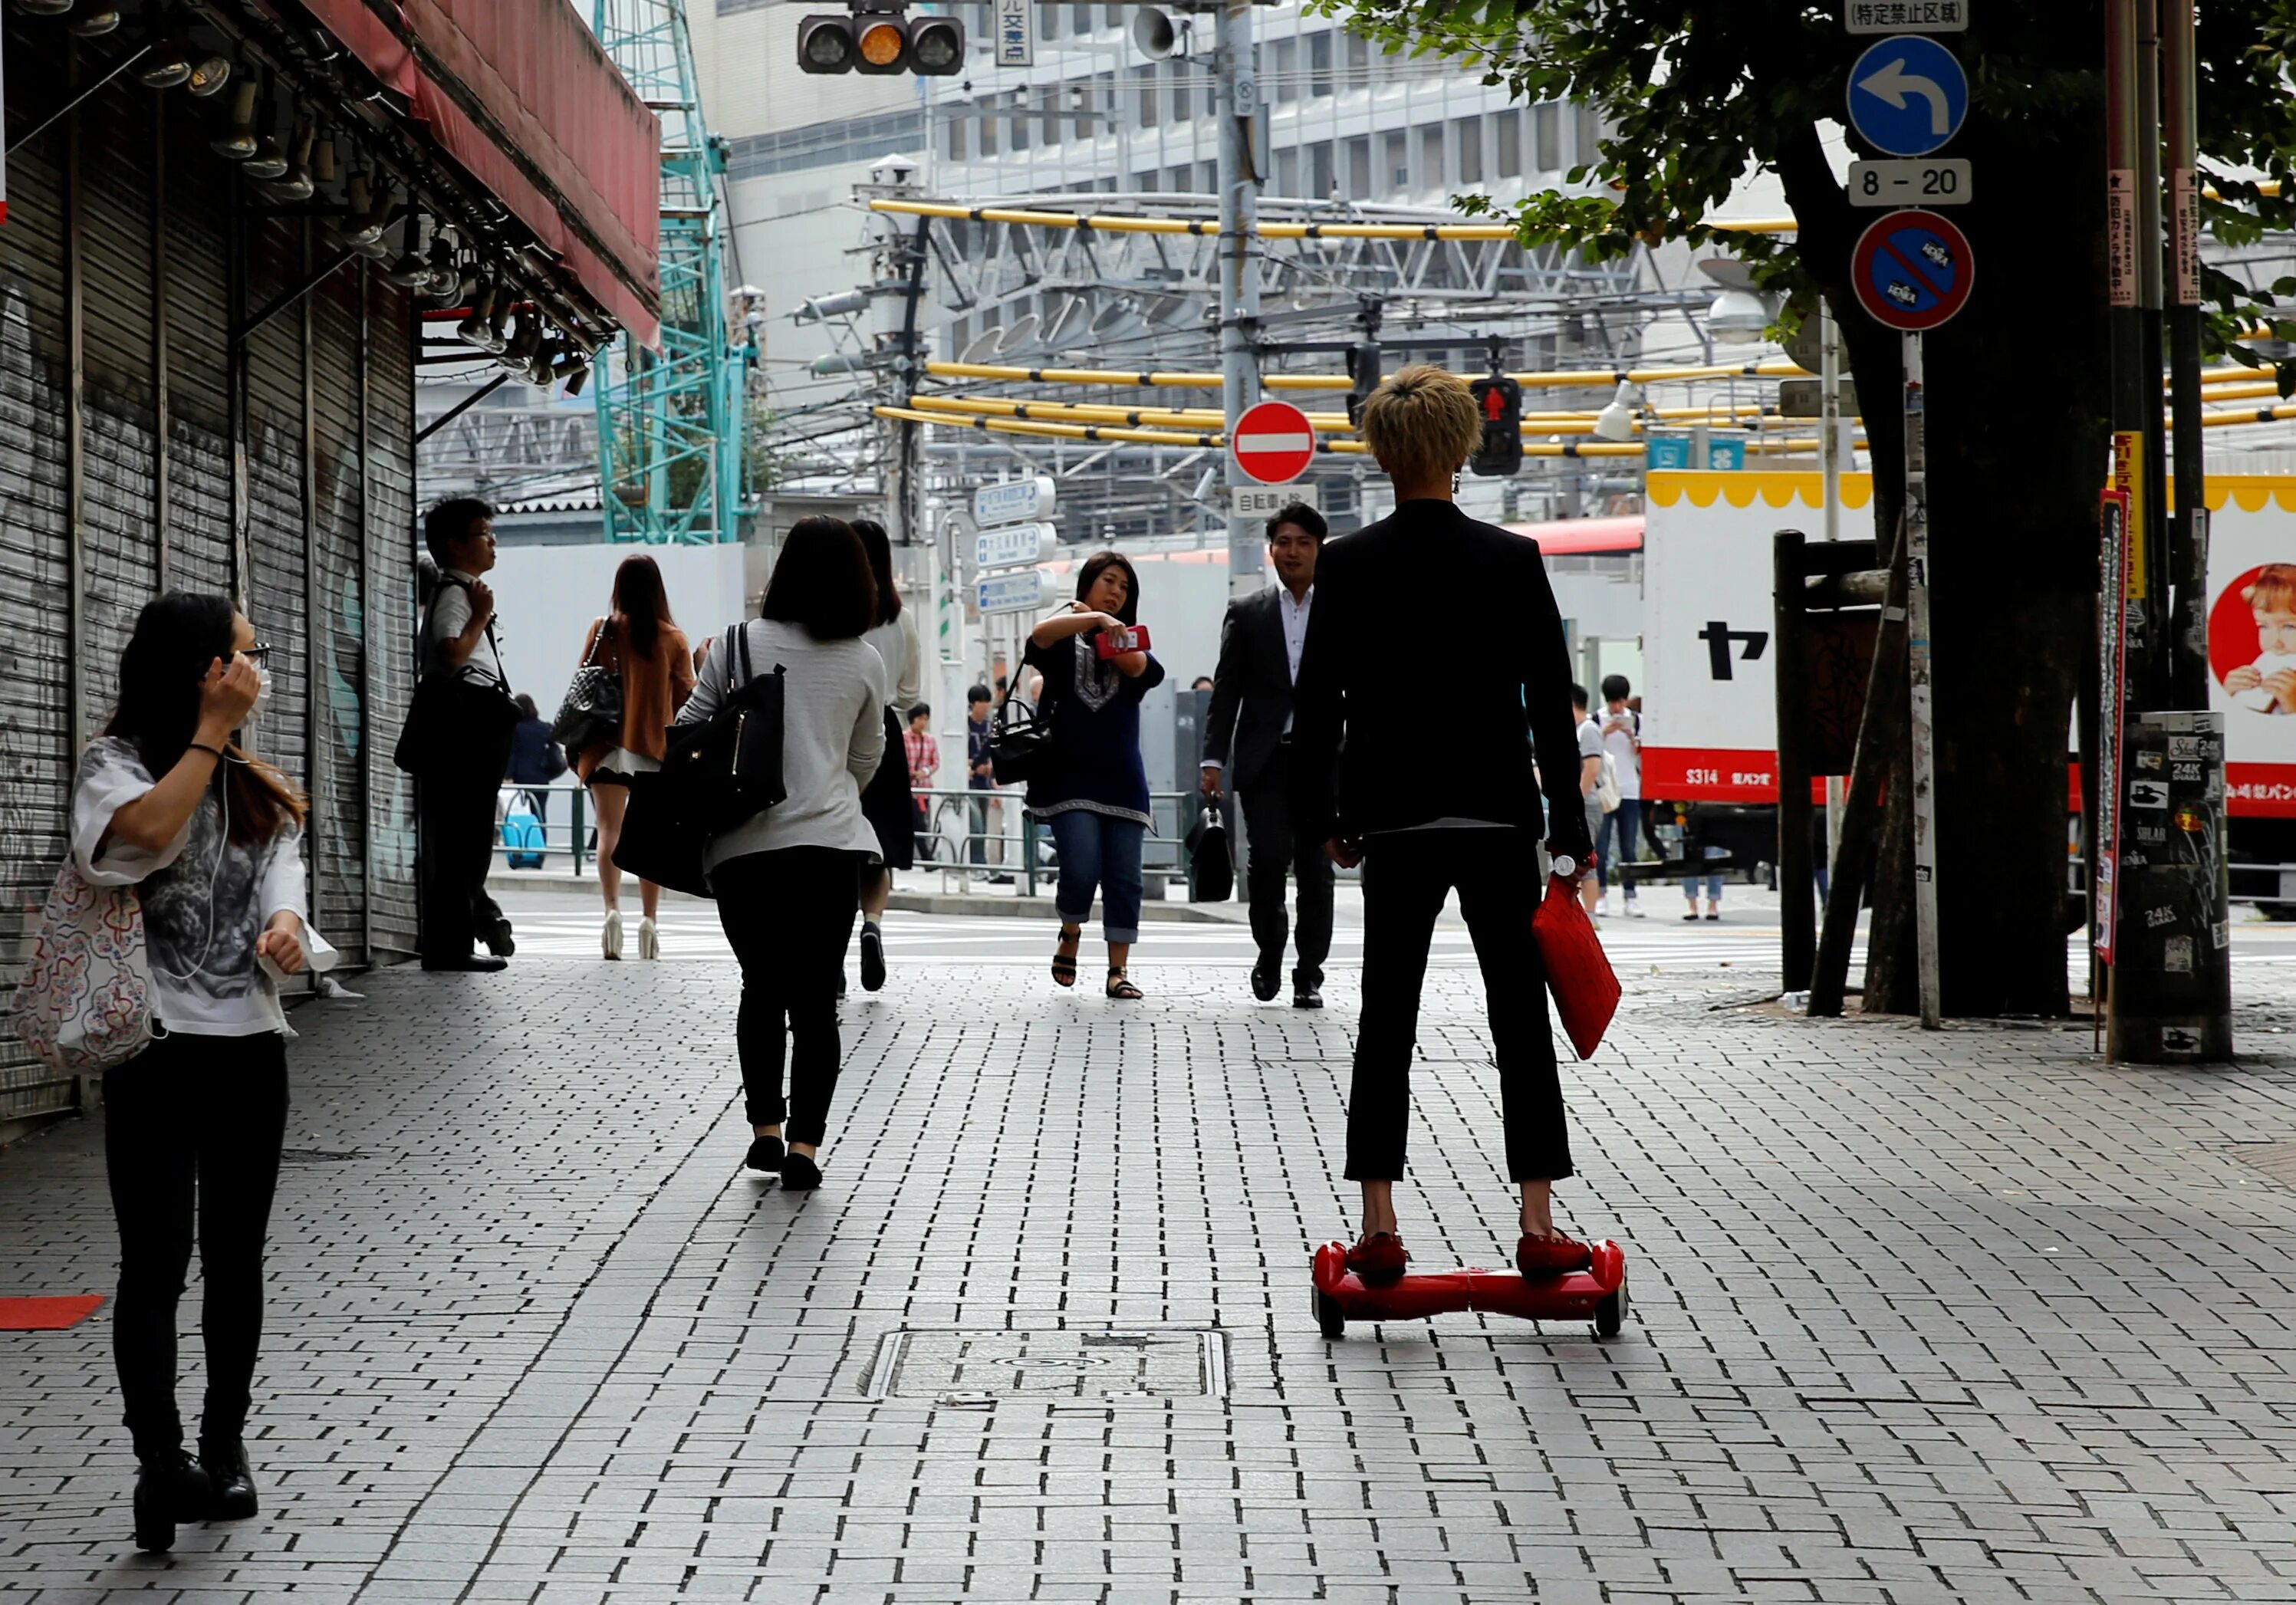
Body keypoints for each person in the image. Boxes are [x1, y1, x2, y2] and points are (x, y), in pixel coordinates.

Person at [1291, 364, 1597, 1286]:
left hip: (1394, 820)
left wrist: (1331, 818)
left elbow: (1319, 708)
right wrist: (1568, 831)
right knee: (1518, 1017)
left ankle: (1378, 1220)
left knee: (1388, 1015)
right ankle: (1539, 1219)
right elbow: (1549, 703)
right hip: (1498, 813)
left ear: (1380, 455)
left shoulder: (1346, 564)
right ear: (1464, 448)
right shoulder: (1511, 558)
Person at [73, 594, 314, 1551]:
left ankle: (224, 1446)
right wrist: (210, 736)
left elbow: (283, 881)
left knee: (237, 1259)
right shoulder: (116, 766)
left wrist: (291, 929)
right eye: (244, 659)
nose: (258, 675)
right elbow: (143, 839)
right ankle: (158, 1458)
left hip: (250, 1045)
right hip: (154, 1046)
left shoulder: (254, 780)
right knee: (157, 1260)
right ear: (203, 669)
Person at [677, 515, 884, 1192]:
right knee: (816, 1003)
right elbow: (865, 759)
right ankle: (805, 1148)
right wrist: (823, 792)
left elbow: (687, 735)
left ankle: (765, 1130)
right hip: (828, 849)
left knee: (761, 989)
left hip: (744, 850)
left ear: (785, 572)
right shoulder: (864, 659)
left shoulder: (735, 644)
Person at [1202, 501, 1334, 1008]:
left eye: (1304, 542)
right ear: (1271, 549)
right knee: (1267, 863)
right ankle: (1270, 951)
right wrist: (1212, 759)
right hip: (1265, 761)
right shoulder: (1248, 611)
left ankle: (1310, 973)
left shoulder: (1340, 609)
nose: (1294, 551)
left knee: (1317, 870)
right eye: (1285, 542)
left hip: (1324, 763)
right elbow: (1226, 691)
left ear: (1318, 548)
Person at [1023, 551, 1166, 1000]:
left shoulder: (1132, 643)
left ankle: (1117, 971)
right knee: (1081, 868)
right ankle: (1070, 930)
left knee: (1126, 878)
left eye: (1125, 587)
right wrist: (1088, 617)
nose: (1117, 591)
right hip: (1068, 778)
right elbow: (1039, 636)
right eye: (1109, 581)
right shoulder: (1063, 640)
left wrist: (1106, 626)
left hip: (1123, 779)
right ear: (1086, 585)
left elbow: (1140, 668)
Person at [571, 554, 696, 960]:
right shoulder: (673, 639)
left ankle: (611, 913)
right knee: (649, 837)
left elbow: (582, 685)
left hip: (605, 745)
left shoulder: (602, 629)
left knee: (609, 830)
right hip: (652, 749)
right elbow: (686, 701)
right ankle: (649, 921)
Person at [417, 497, 514, 972]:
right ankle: (450, 947)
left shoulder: (462, 589)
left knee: (464, 838)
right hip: (467, 725)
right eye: (483, 534)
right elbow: (452, 653)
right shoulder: (457, 593)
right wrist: (479, 616)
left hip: (473, 722)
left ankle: (454, 942)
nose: (492, 542)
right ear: (455, 544)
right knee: (464, 839)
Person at [851, 519, 923, 992]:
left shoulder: (837, 612)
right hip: (887, 733)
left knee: (836, 844)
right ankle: (872, 924)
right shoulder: (903, 618)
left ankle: (830, 956)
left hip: (838, 733)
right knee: (878, 852)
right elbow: (910, 693)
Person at [1595, 674, 1646, 918]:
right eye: (1613, 702)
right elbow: (1588, 754)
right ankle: (1602, 895)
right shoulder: (1596, 720)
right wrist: (1603, 733)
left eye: (1621, 702)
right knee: (1601, 848)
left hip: (1630, 790)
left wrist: (1634, 741)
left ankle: (1631, 896)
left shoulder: (1637, 721)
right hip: (1605, 791)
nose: (1617, 707)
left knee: (1629, 848)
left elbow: (1644, 759)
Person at [503, 694, 567, 867]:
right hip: (541, 778)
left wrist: (508, 776)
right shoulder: (545, 728)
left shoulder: (515, 728)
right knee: (539, 815)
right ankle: (540, 853)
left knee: (519, 815)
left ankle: (521, 851)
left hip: (520, 779)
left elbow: (513, 754)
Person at [963, 684, 1011, 882]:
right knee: (976, 824)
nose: (985, 707)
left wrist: (989, 768)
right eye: (982, 703)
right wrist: (971, 766)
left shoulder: (990, 726)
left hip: (984, 782)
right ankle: (977, 864)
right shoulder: (964, 725)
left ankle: (980, 864)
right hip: (969, 781)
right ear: (974, 704)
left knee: (982, 825)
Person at [1571, 686, 1607, 917]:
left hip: (1587, 804)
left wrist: (1575, 800)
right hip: (1578, 803)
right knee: (1573, 858)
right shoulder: (1577, 730)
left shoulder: (1588, 730)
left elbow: (1592, 769)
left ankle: (1591, 914)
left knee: (1585, 857)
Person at [904, 701, 939, 860]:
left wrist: (924, 772)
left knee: (920, 823)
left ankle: (925, 858)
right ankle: (926, 858)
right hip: (908, 789)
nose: (923, 722)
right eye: (920, 718)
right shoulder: (903, 738)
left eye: (926, 719)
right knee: (916, 824)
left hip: (923, 790)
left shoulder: (930, 740)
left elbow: (935, 762)